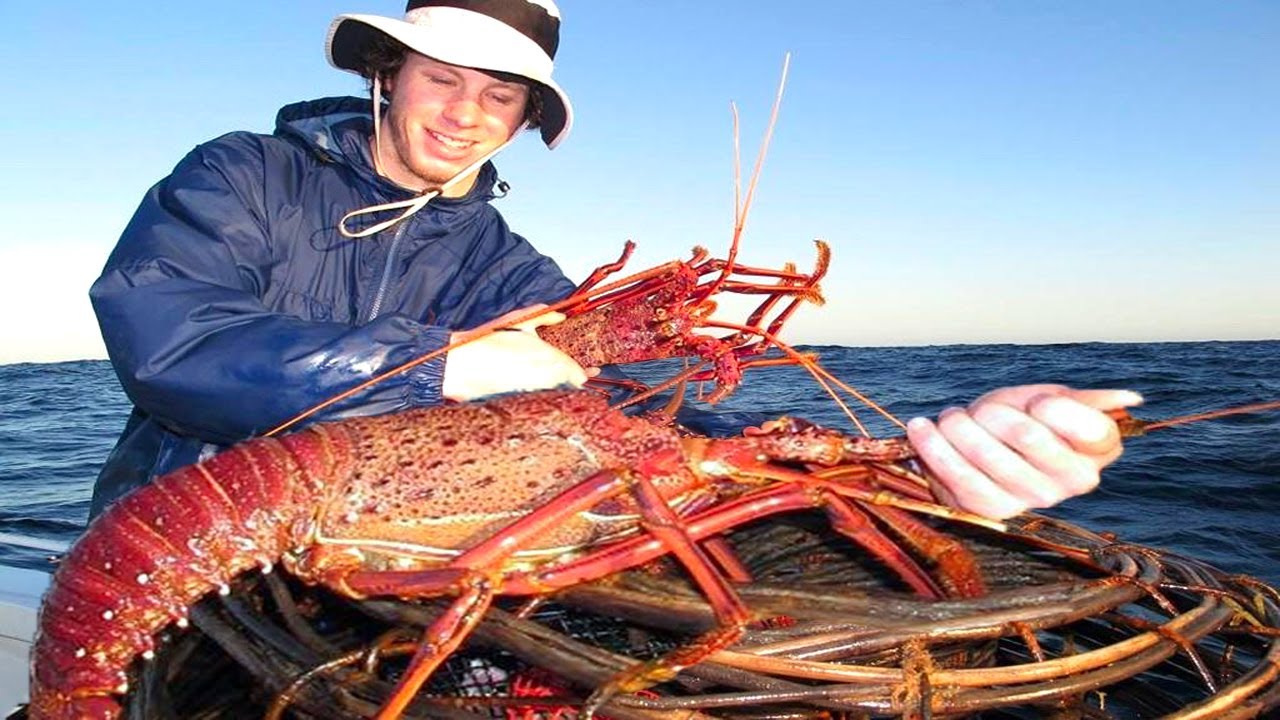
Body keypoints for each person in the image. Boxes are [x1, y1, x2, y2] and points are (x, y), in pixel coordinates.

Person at [88, 0, 1141, 522]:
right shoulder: (243, 174)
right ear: (386, 71)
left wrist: (926, 462)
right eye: (441, 79)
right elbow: (175, 342)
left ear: (522, 118)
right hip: (185, 511)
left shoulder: (495, 258)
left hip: (368, 530)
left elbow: (633, 398)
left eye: (498, 95)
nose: (464, 115)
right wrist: (435, 369)